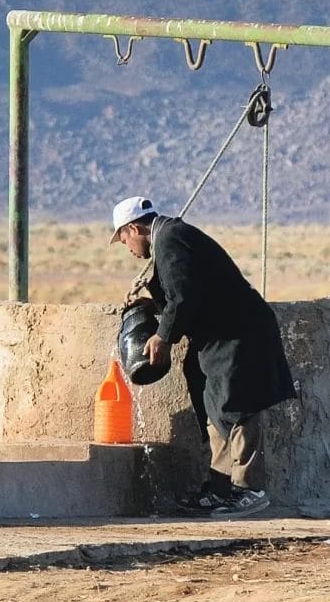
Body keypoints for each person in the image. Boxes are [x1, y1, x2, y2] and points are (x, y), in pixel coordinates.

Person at [110, 194, 296, 517]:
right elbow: (188, 289)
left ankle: (249, 489)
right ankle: (221, 487)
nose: (127, 248)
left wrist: (163, 337)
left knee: (237, 404)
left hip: (239, 331)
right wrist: (150, 306)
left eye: (124, 238)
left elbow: (184, 295)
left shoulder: (168, 239)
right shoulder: (167, 240)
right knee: (214, 404)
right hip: (221, 335)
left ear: (134, 228)